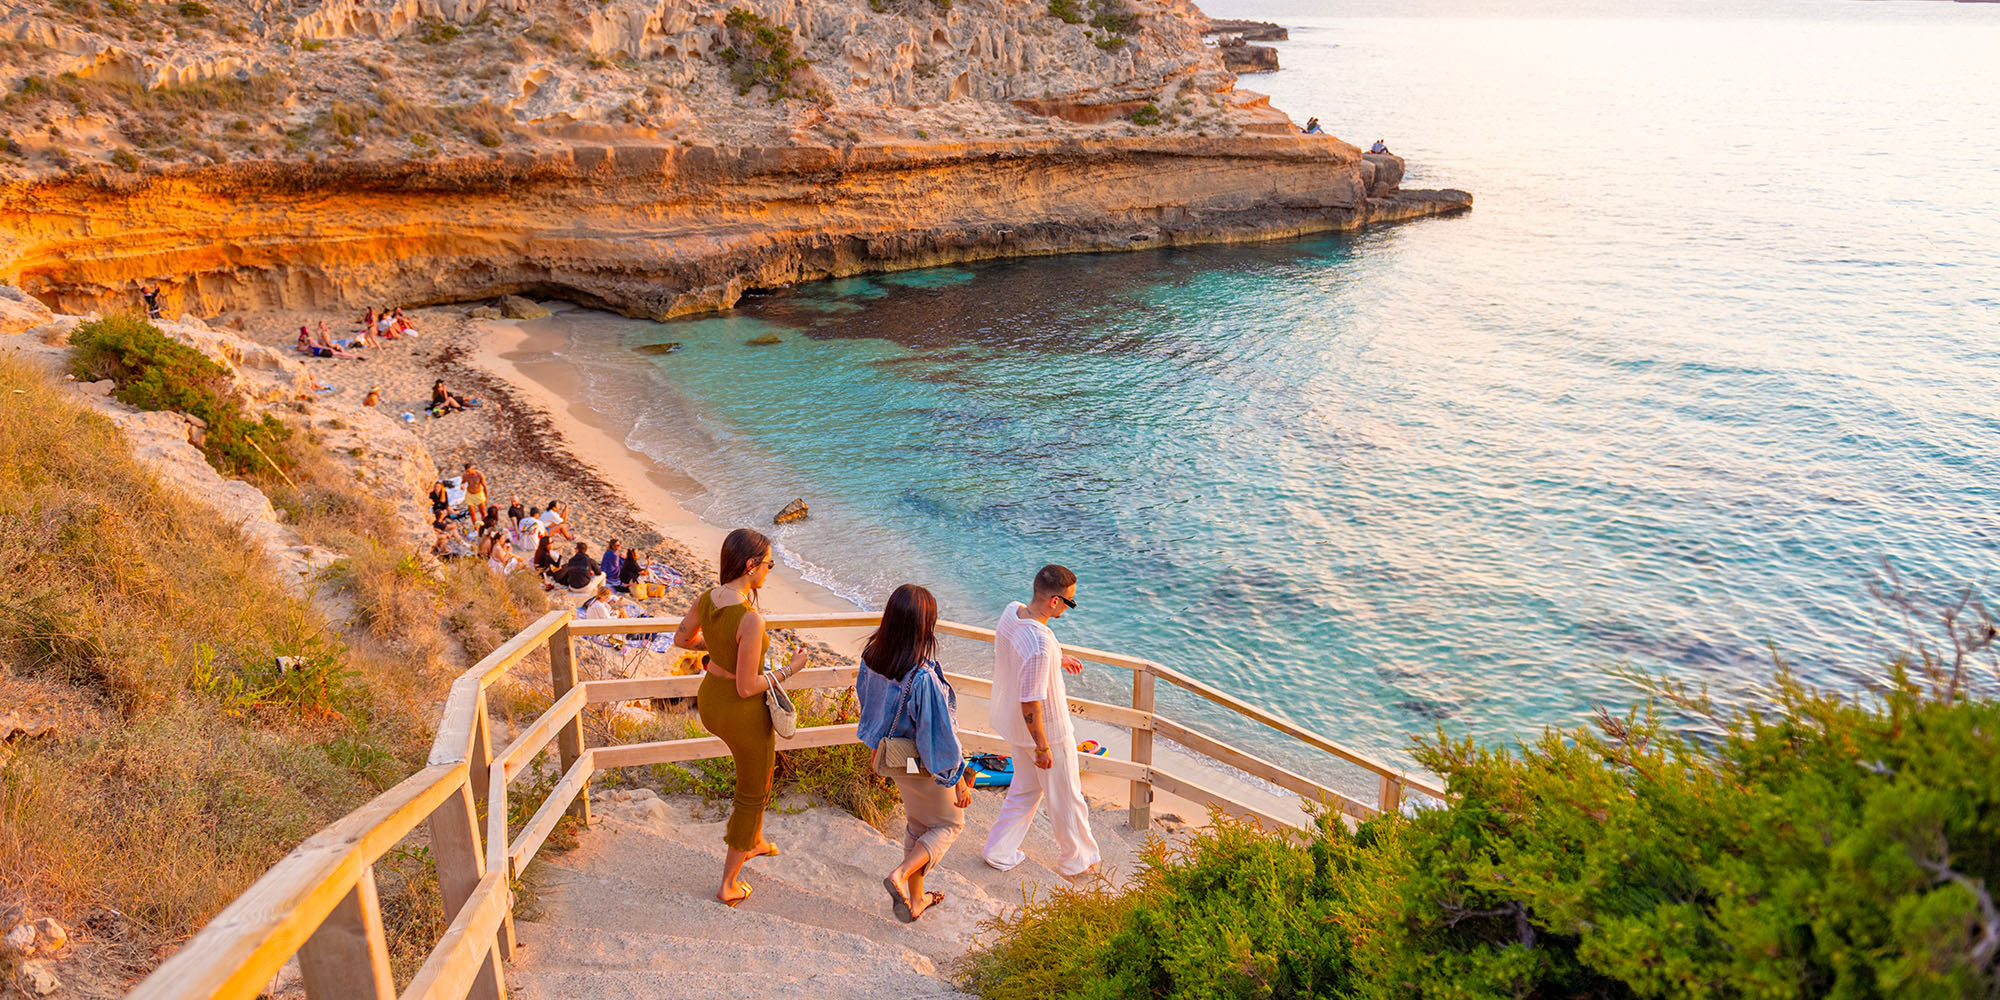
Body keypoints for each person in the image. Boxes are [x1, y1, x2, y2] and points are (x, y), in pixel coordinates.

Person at [672, 528, 809, 906]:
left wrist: (716, 646)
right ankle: (729, 883)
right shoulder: (750, 619)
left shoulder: (708, 599)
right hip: (739, 710)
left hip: (710, 702)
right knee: (752, 790)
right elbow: (748, 687)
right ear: (750, 566)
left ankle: (757, 840)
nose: (769, 571)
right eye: (768, 564)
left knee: (761, 776)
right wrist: (791, 669)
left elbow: (681, 639)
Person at [857, 584, 974, 922]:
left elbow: (868, 704)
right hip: (921, 763)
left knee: (918, 823)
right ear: (925, 627)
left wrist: (876, 743)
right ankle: (900, 874)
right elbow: (938, 738)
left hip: (892, 758)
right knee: (949, 825)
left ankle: (917, 900)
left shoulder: (872, 656)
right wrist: (957, 781)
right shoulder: (921, 676)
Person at [981, 564, 1100, 879]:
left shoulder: (1012, 613)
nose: (1070, 608)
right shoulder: (1040, 644)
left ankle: (999, 851)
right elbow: (1030, 700)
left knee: (1025, 790)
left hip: (1018, 731)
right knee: (1067, 798)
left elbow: (1021, 648)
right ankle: (1078, 860)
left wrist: (1057, 658)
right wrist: (1043, 747)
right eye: (1070, 603)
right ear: (1055, 602)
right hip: (1048, 733)